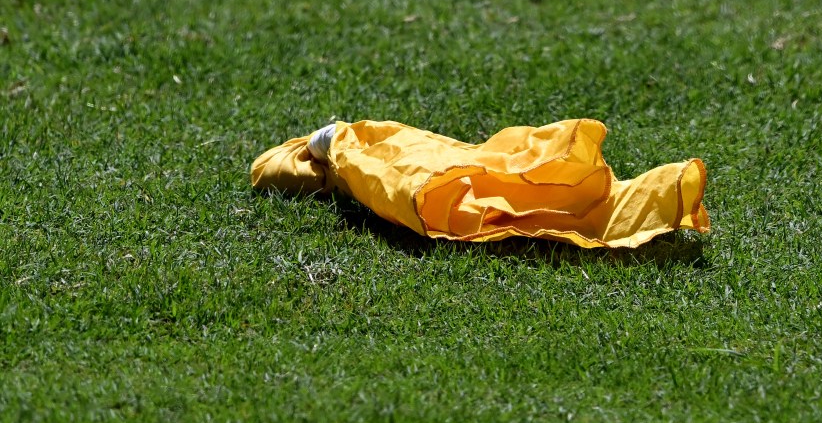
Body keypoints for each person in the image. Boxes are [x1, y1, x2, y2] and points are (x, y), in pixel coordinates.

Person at [251, 118, 709, 248]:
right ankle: (653, 197)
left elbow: (265, 171)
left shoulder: (357, 151)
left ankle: (653, 197)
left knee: (508, 182)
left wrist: (330, 147)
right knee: (518, 186)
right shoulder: (357, 153)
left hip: (428, 182)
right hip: (436, 183)